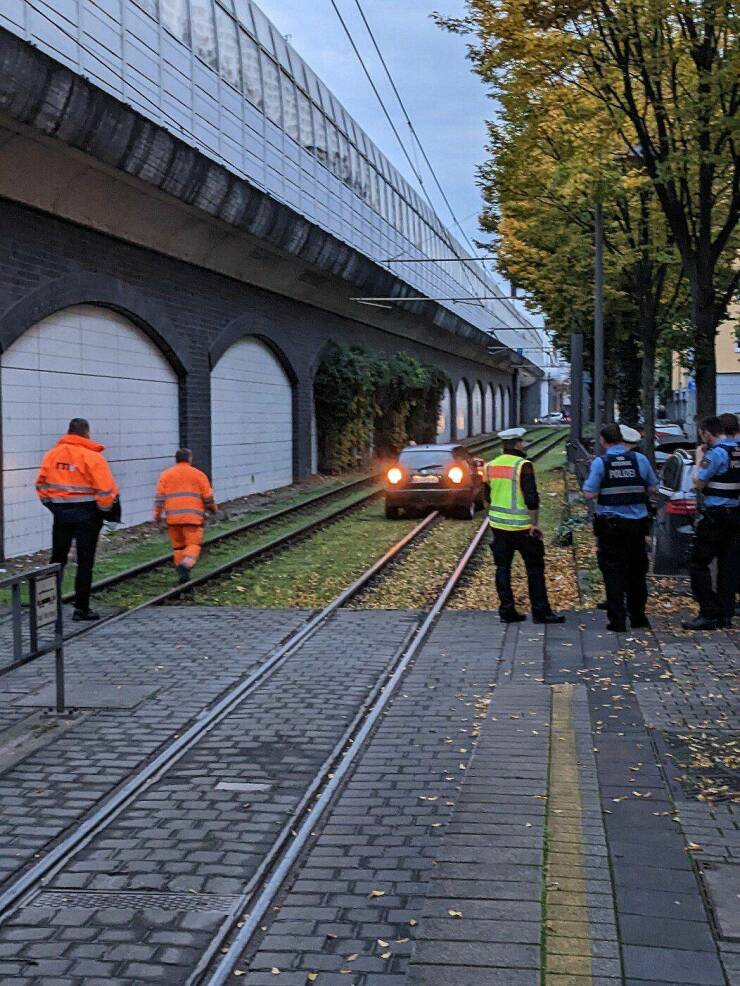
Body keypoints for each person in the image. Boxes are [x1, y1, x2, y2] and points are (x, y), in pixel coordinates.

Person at [35, 418, 119, 621]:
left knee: (57, 559)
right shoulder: (93, 457)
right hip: (88, 514)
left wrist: (52, 506)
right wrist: (103, 511)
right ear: (87, 433)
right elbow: (106, 490)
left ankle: (47, 608)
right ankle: (81, 609)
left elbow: (41, 484)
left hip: (61, 514)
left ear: (69, 432)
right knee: (85, 562)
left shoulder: (52, 455)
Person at [583, 422, 658, 632]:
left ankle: (617, 621)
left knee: (613, 572)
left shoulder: (601, 463)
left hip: (611, 528)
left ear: (603, 441)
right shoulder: (640, 460)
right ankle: (638, 617)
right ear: (622, 439)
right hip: (637, 527)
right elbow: (653, 488)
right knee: (637, 571)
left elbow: (589, 493)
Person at [486, 427, 565, 624]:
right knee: (535, 568)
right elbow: (531, 498)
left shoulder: (490, 466)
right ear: (517, 444)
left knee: (502, 568)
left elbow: (486, 497)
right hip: (523, 528)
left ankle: (507, 611)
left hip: (498, 526)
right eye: (522, 442)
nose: (524, 445)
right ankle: (541, 612)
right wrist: (534, 524)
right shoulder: (523, 466)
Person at [682, 415, 739, 630]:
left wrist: (699, 458)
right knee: (728, 565)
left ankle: (708, 612)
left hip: (716, 517)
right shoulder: (737, 450)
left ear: (707, 434)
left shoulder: (715, 454)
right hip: (736, 515)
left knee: (698, 562)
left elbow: (698, 482)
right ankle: (725, 614)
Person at [154, 449, 217, 583]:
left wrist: (157, 516)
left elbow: (159, 499)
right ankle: (186, 565)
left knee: (178, 547)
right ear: (190, 458)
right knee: (193, 544)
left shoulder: (165, 475)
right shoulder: (199, 474)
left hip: (173, 519)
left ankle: (182, 575)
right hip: (193, 518)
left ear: (176, 459)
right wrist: (213, 509)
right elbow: (208, 497)